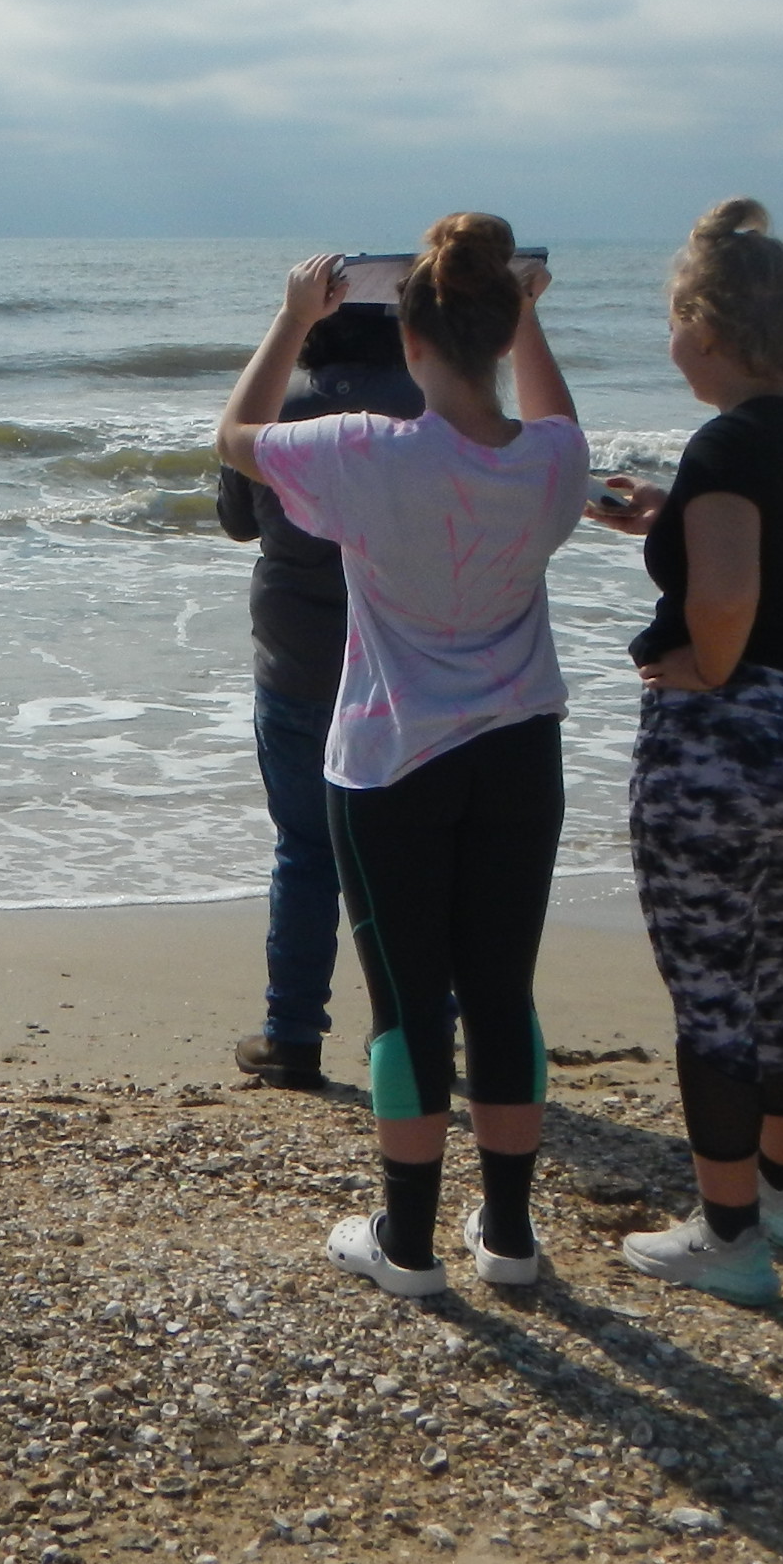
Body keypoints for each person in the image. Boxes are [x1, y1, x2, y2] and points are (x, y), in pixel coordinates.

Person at [216, 215, 588, 1297]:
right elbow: (551, 411)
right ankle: (510, 1237)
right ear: (496, 331)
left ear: (414, 343)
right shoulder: (553, 461)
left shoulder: (362, 454)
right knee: (502, 993)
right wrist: (526, 321)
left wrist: (293, 321)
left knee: (408, 1007)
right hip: (520, 754)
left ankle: (411, 1244)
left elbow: (236, 435)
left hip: (393, 760)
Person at [587, 200, 783, 1307]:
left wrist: (703, 663)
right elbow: (764, 552)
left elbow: (734, 590)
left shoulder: (729, 440)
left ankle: (728, 1236)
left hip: (724, 754)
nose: (669, 344)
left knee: (709, 995)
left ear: (704, 325)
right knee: (770, 973)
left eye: (671, 321)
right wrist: (665, 519)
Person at [215, 296, 428, 1091]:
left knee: (306, 851)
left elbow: (237, 519)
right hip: (403, 661)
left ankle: (293, 1034)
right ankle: (420, 1032)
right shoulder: (429, 407)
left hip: (299, 654)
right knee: (409, 856)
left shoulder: (279, 411)